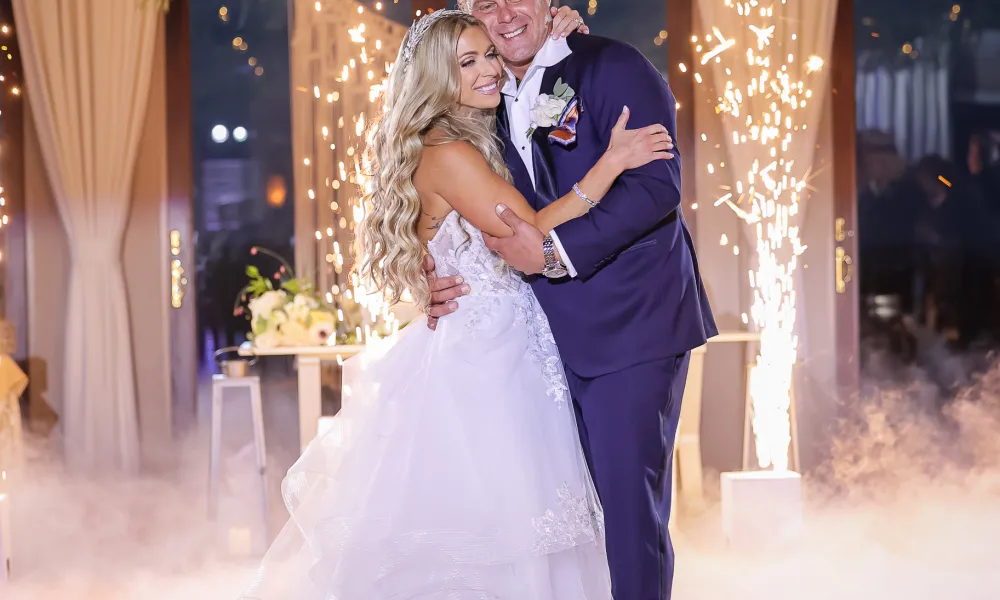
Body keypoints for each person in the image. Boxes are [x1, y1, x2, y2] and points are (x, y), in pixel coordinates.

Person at [240, 9, 675, 599]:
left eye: (487, 55)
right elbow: (527, 231)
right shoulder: (452, 146)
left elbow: (644, 191)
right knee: (502, 525)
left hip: (569, 336)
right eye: (467, 61)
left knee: (589, 519)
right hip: (493, 358)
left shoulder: (497, 117)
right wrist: (609, 164)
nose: (489, 67)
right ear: (437, 77)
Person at [424, 1, 718, 598]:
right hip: (532, 347)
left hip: (631, 325)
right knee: (555, 519)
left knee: (627, 511)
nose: (504, 14)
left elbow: (656, 189)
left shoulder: (612, 66)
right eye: (486, 3)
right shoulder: (478, 98)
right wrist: (429, 275)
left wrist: (557, 253)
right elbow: (453, 211)